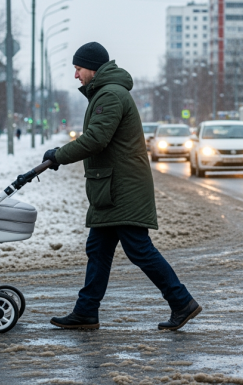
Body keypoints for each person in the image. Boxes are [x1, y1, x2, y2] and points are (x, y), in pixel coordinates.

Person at [43, 41, 200, 331]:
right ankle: (86, 311)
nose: (76, 75)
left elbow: (94, 140)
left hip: (122, 189)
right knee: (99, 250)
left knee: (139, 250)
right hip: (111, 188)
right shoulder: (105, 93)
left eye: (78, 69)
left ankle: (182, 302)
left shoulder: (110, 95)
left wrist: (58, 156)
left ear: (91, 67)